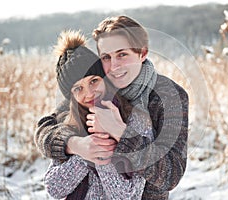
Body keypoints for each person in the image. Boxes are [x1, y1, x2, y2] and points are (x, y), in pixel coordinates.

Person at [35, 15, 189, 199]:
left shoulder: (169, 96)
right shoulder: (97, 88)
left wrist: (120, 132)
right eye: (106, 57)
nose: (114, 66)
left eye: (122, 54)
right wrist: (77, 145)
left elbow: (171, 174)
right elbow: (46, 128)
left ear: (142, 53)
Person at [43, 30, 150, 199]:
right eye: (78, 89)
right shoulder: (69, 126)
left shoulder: (135, 118)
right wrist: (83, 150)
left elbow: (129, 195)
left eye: (94, 81)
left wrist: (103, 139)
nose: (90, 93)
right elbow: (54, 188)